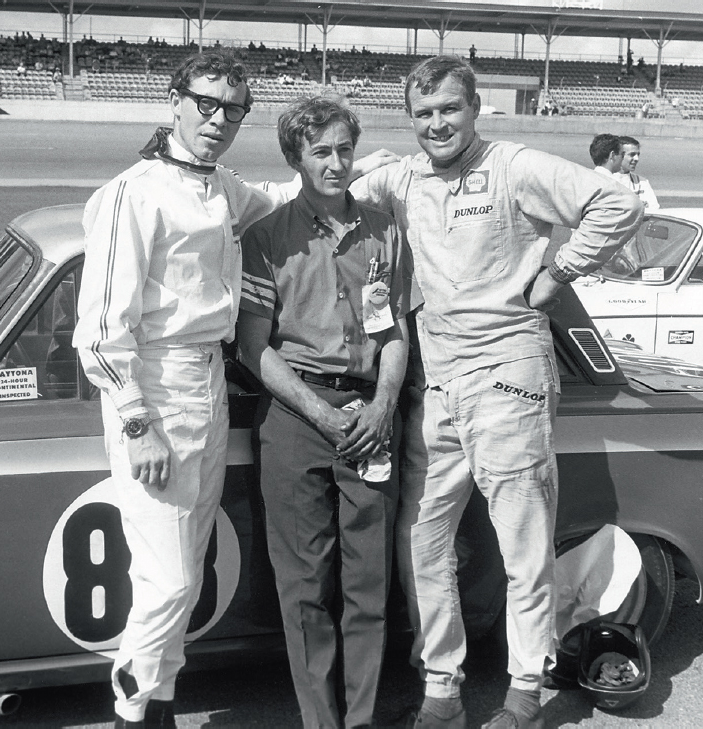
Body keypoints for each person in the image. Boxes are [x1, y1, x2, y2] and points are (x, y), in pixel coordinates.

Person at [73, 52, 393, 729]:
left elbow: (288, 200)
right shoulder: (133, 192)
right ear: (174, 101)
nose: (218, 120)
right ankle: (131, 709)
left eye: (232, 110)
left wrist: (374, 167)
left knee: (183, 564)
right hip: (153, 385)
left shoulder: (220, 186)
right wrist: (137, 419)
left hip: (210, 381)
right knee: (171, 579)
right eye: (206, 104)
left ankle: (157, 705)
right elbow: (100, 329)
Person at [350, 54, 643, 729]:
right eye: (422, 114)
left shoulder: (514, 166)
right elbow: (319, 194)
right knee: (419, 538)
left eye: (448, 109)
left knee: (522, 544)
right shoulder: (402, 175)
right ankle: (442, 684)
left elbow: (616, 200)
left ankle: (524, 692)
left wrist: (558, 272)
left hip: (510, 376)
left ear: (475, 108)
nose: (436, 124)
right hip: (437, 381)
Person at [237, 97, 414, 729]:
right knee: (305, 589)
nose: (336, 163)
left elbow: (395, 334)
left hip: (370, 417)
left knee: (367, 589)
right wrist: (320, 412)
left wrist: (382, 405)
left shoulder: (384, 229)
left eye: (344, 149)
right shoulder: (265, 238)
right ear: (295, 158)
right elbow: (253, 348)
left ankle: (360, 720)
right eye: (321, 152)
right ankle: (321, 721)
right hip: (294, 419)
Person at [615, 136, 659, 210]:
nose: (636, 159)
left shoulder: (642, 182)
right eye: (632, 154)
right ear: (618, 155)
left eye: (638, 154)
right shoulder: (605, 179)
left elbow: (654, 209)